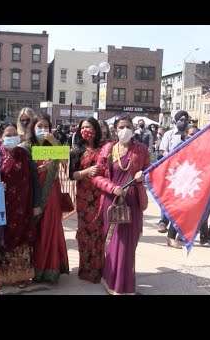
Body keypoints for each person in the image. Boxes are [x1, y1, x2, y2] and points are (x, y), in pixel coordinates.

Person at [92, 115, 150, 295]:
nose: (124, 130)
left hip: (133, 201)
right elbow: (96, 176)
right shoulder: (108, 149)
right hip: (113, 200)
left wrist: (143, 176)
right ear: (115, 130)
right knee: (115, 243)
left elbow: (150, 171)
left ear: (133, 129)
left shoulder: (141, 149)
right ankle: (111, 281)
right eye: (121, 127)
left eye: (128, 126)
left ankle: (125, 285)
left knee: (128, 245)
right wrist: (112, 187)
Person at [0, 123, 41, 291]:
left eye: (14, 134)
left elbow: (34, 180)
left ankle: (21, 276)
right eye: (8, 135)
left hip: (22, 208)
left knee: (22, 243)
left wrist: (36, 204)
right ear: (0, 137)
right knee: (1, 244)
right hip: (1, 208)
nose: (12, 137)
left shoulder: (25, 154)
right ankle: (0, 278)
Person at [22, 112, 69, 283]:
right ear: (33, 128)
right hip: (32, 194)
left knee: (49, 228)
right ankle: (31, 268)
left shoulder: (54, 145)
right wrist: (40, 169)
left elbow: (65, 163)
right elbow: (21, 173)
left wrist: (55, 143)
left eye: (46, 126)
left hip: (52, 193)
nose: (43, 129)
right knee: (35, 230)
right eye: (39, 126)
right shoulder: (26, 147)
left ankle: (49, 269)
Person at [69, 117, 102, 283]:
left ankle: (101, 269)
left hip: (102, 196)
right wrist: (86, 171)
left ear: (95, 129)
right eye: (82, 128)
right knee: (85, 233)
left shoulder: (105, 148)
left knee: (100, 233)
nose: (85, 130)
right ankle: (86, 270)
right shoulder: (77, 150)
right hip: (84, 198)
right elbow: (71, 175)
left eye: (88, 127)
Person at [157, 110, 189, 233]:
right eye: (181, 119)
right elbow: (162, 151)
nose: (184, 122)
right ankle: (163, 222)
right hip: (171, 171)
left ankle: (180, 225)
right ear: (175, 121)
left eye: (186, 119)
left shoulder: (190, 134)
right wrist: (173, 156)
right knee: (167, 196)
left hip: (186, 172)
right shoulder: (169, 134)